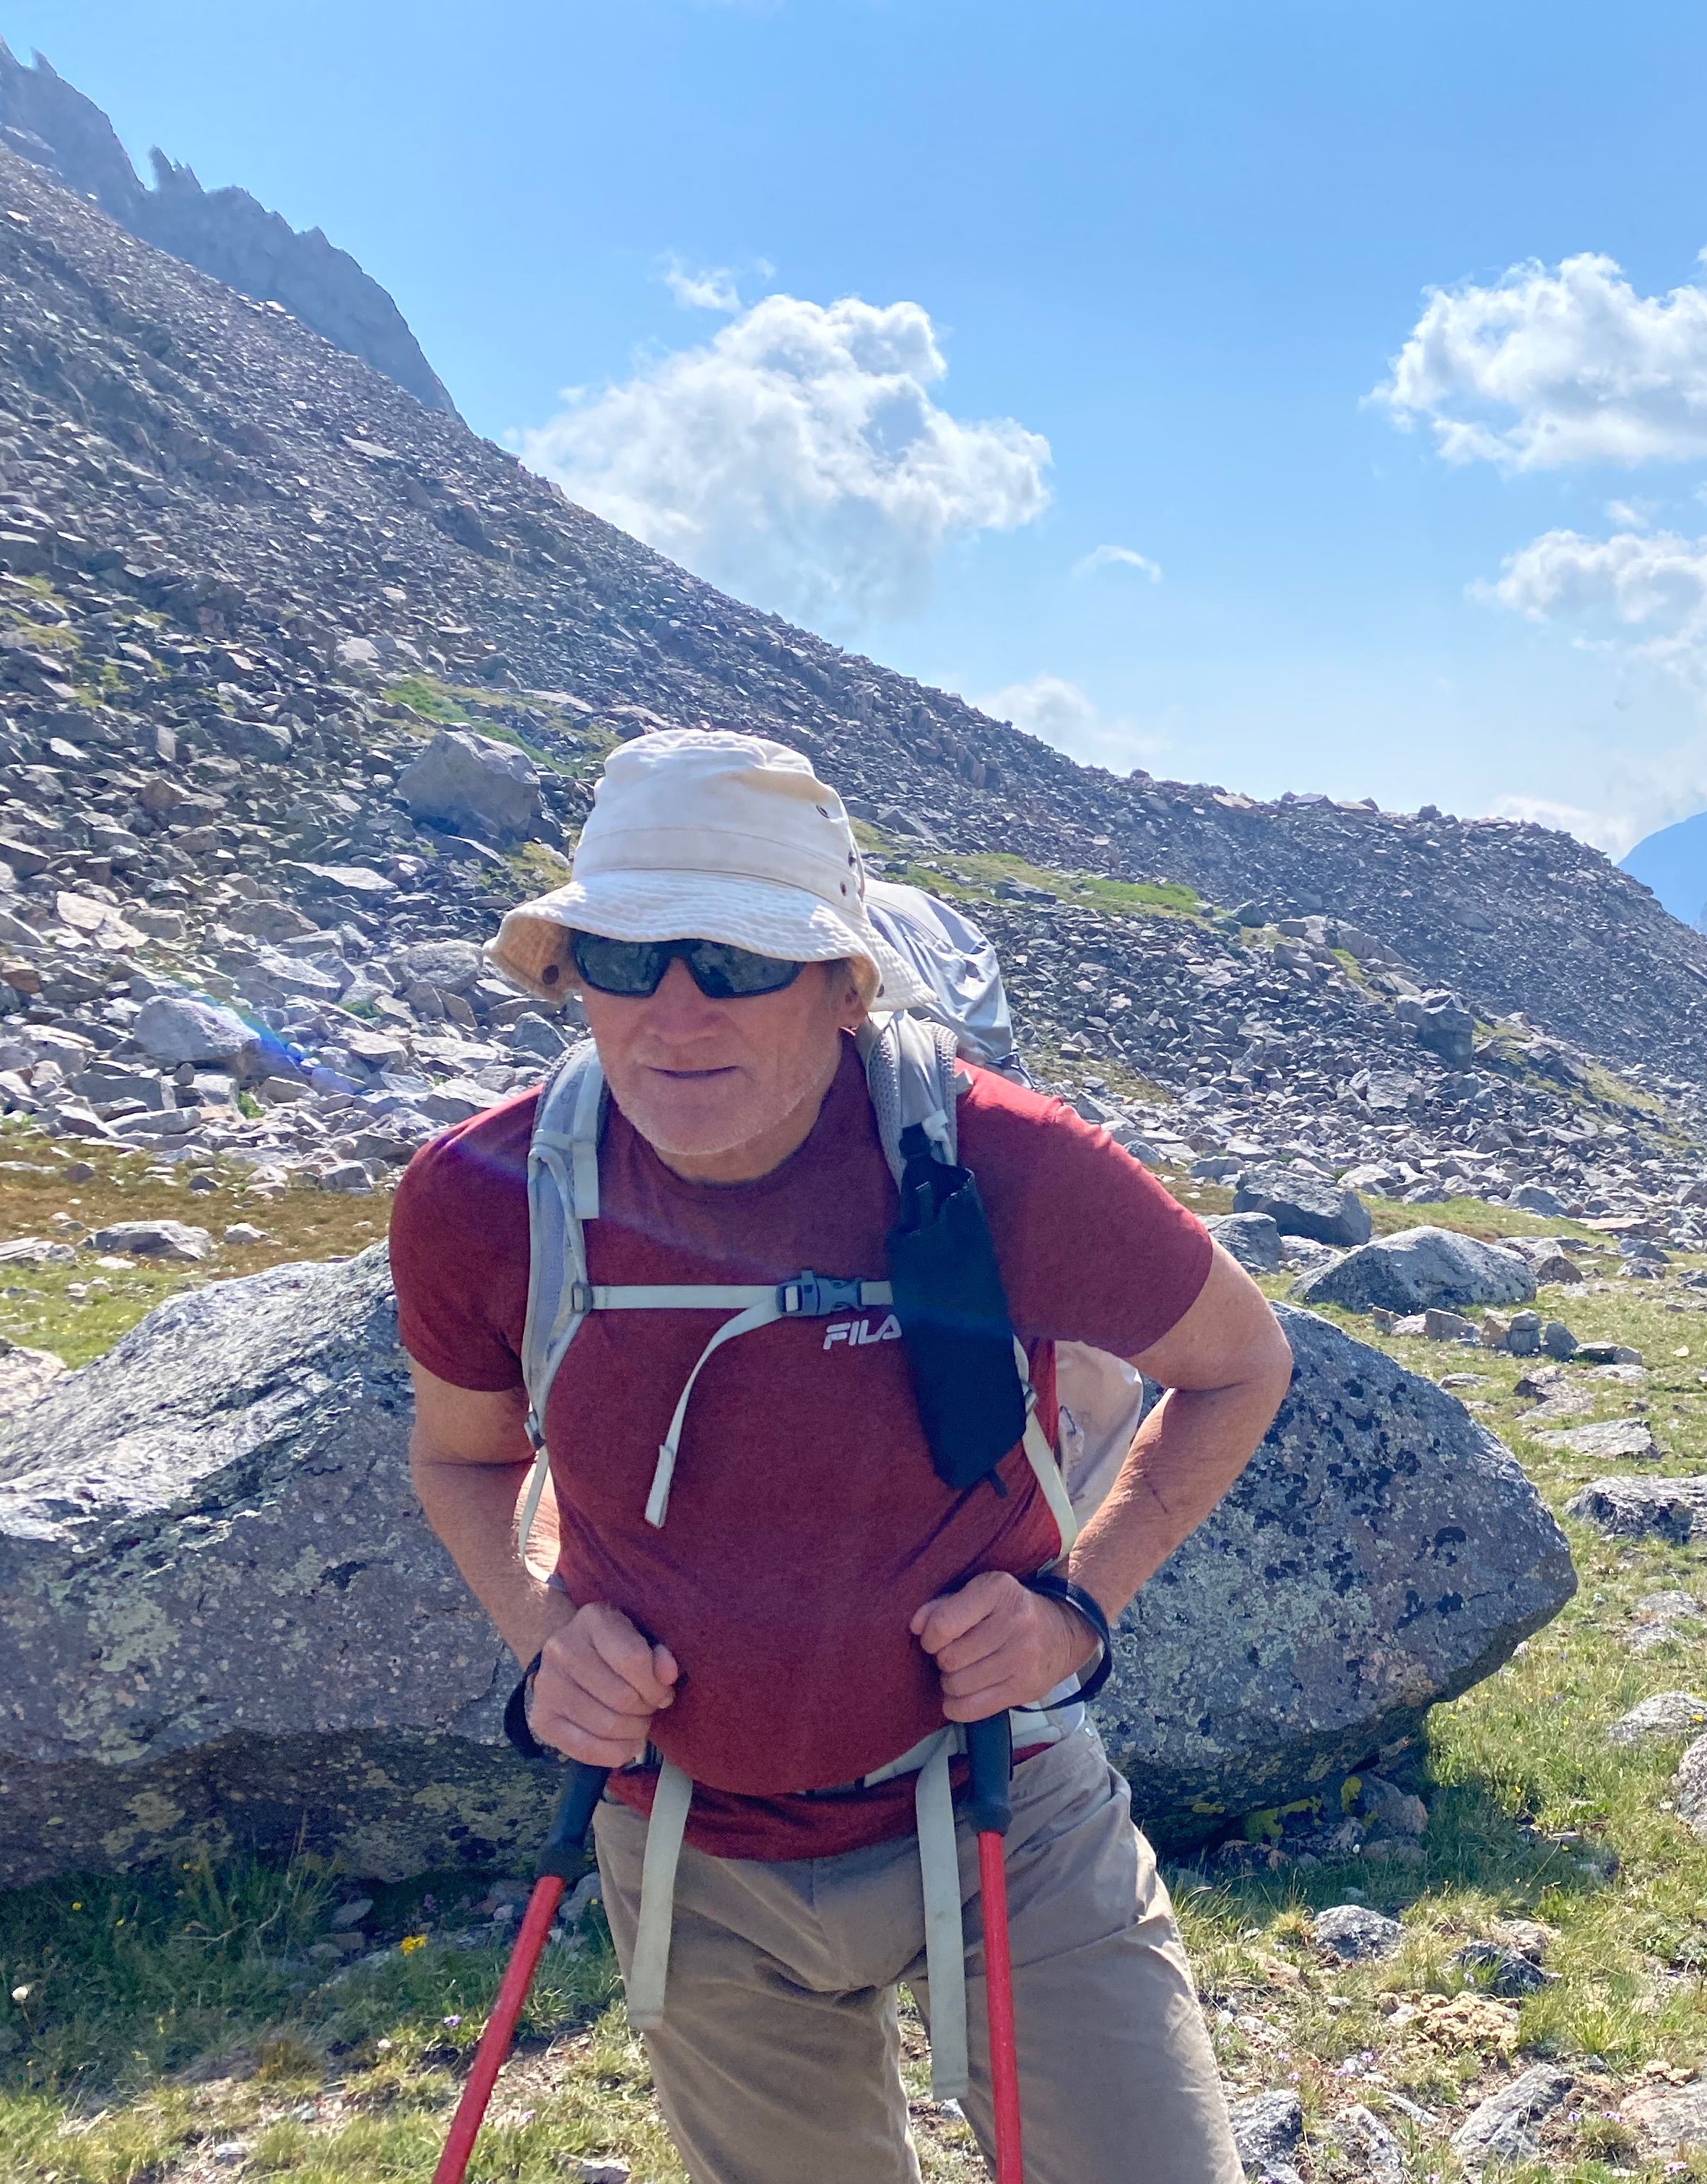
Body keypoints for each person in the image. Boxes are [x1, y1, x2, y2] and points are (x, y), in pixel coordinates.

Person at [394, 728, 1290, 2184]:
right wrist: (544, 1632)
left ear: (841, 985)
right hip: (690, 1852)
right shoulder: (481, 1197)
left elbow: (1240, 1362)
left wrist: (1077, 1610)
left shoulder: (1007, 1162)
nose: (676, 1010)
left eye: (736, 961)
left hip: (1008, 1801)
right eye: (626, 956)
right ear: (571, 979)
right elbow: (464, 1462)